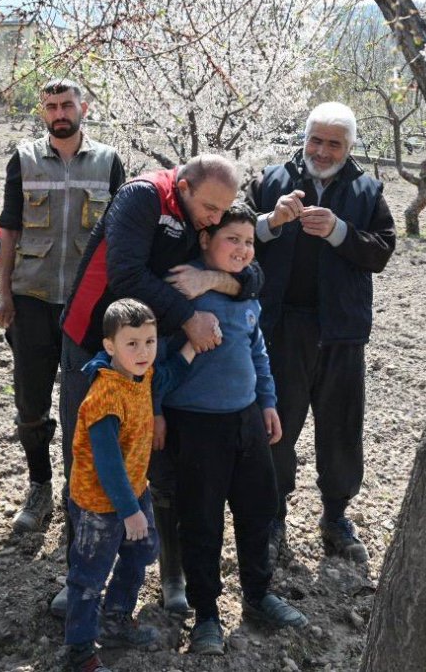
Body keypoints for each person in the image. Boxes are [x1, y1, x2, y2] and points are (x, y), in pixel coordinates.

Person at [58, 152, 263, 615]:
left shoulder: (201, 214)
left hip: (147, 351)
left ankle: (157, 574)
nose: (214, 218)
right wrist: (188, 315)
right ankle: (80, 579)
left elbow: (251, 273)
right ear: (185, 187)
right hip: (95, 344)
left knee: (150, 456)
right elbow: (126, 274)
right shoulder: (141, 198)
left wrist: (214, 277)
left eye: (220, 212)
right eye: (210, 209)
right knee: (89, 456)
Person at [250, 102, 395, 566]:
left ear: (349, 147)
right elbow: (233, 238)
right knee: (278, 427)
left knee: (340, 429)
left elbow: (381, 251)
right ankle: (273, 517)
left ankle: (335, 517)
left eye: (334, 143)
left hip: (340, 331)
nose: (323, 150)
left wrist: (339, 232)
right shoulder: (272, 181)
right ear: (305, 137)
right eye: (316, 139)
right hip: (279, 327)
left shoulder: (367, 190)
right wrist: (271, 223)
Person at [158, 203, 306, 655]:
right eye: (232, 239)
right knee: (201, 521)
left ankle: (259, 595)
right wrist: (157, 409)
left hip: (246, 420)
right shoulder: (181, 291)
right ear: (205, 240)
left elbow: (257, 350)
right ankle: (205, 614)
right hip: (197, 426)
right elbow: (156, 359)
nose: (243, 250)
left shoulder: (244, 293)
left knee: (257, 510)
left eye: (249, 242)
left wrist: (267, 403)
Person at [0, 78, 125, 533]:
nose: (59, 113)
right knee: (30, 403)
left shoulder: (108, 161)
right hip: (32, 299)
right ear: (42, 112)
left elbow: (118, 237)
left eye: (66, 104)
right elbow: (8, 230)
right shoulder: (23, 159)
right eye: (50, 106)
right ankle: (40, 485)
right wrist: (3, 292)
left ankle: (80, 491)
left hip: (88, 306)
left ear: (83, 107)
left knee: (85, 406)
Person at [63, 299, 194, 672]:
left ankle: (116, 617)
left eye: (149, 342)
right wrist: (130, 511)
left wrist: (191, 347)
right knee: (87, 576)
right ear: (109, 346)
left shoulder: (143, 376)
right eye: (132, 343)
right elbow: (107, 465)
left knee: (141, 553)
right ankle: (79, 650)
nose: (143, 351)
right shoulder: (105, 396)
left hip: (133, 491)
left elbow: (168, 376)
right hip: (99, 503)